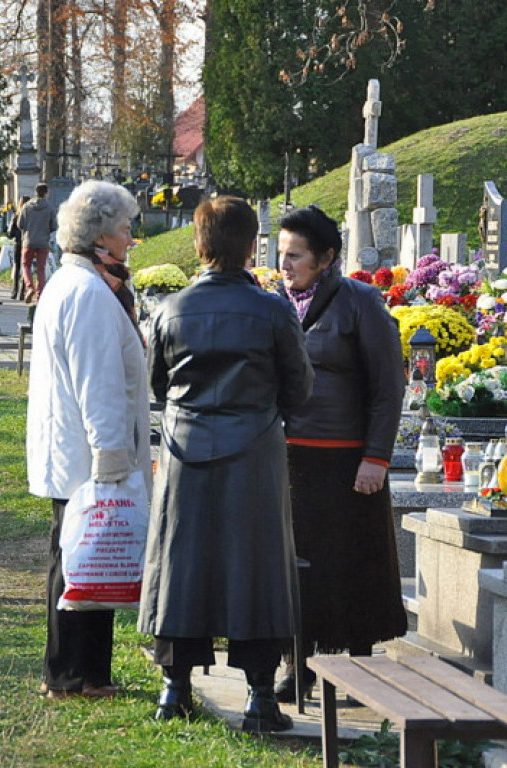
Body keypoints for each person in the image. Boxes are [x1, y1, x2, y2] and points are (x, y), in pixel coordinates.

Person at [138, 196, 313, 731]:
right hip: (254, 448)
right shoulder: (274, 310)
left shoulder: (171, 310)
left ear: (199, 244)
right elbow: (299, 388)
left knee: (180, 563)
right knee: (257, 567)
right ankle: (260, 697)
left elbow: (157, 384)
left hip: (185, 448)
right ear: (251, 245)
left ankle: (175, 688)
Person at [273, 205, 407, 703]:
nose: (285, 265)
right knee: (298, 565)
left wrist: (377, 457)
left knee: (353, 562)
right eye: (282, 254)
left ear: (326, 258)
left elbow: (388, 388)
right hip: (291, 458)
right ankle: (298, 664)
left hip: (348, 459)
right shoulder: (274, 304)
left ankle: (360, 667)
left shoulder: (360, 302)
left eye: (296, 255)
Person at [25, 180, 150, 700]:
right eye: (124, 228)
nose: (130, 238)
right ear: (100, 236)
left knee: (89, 557)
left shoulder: (76, 284)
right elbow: (97, 383)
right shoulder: (87, 294)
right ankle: (69, 674)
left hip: (75, 447)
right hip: (86, 452)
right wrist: (111, 455)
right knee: (78, 559)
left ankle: (90, 672)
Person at [14, 182, 58, 303]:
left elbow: (20, 224)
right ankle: (40, 295)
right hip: (43, 242)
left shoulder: (27, 206)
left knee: (26, 265)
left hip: (28, 241)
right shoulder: (50, 208)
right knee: (41, 269)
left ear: (35, 192)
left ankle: (29, 287)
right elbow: (54, 226)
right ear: (46, 193)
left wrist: (29, 229)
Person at [8, 196, 30, 300]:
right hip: (27, 243)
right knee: (26, 266)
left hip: (18, 243)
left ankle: (15, 290)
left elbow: (10, 233)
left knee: (17, 267)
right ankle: (23, 290)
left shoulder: (16, 216)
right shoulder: (31, 217)